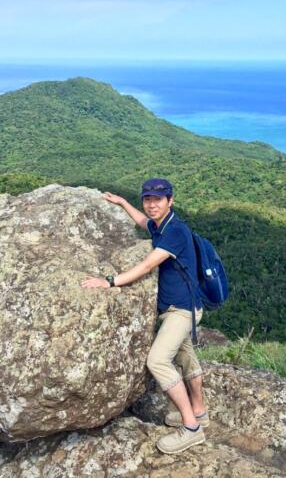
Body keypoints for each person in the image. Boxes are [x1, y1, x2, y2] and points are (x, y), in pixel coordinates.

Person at [82, 178, 208, 455]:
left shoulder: (175, 231)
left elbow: (147, 264)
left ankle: (191, 428)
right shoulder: (162, 224)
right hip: (182, 306)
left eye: (158, 200)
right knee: (185, 355)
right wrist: (123, 202)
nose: (151, 204)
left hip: (182, 310)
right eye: (147, 199)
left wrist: (110, 281)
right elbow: (144, 222)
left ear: (170, 201)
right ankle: (199, 411)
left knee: (158, 360)